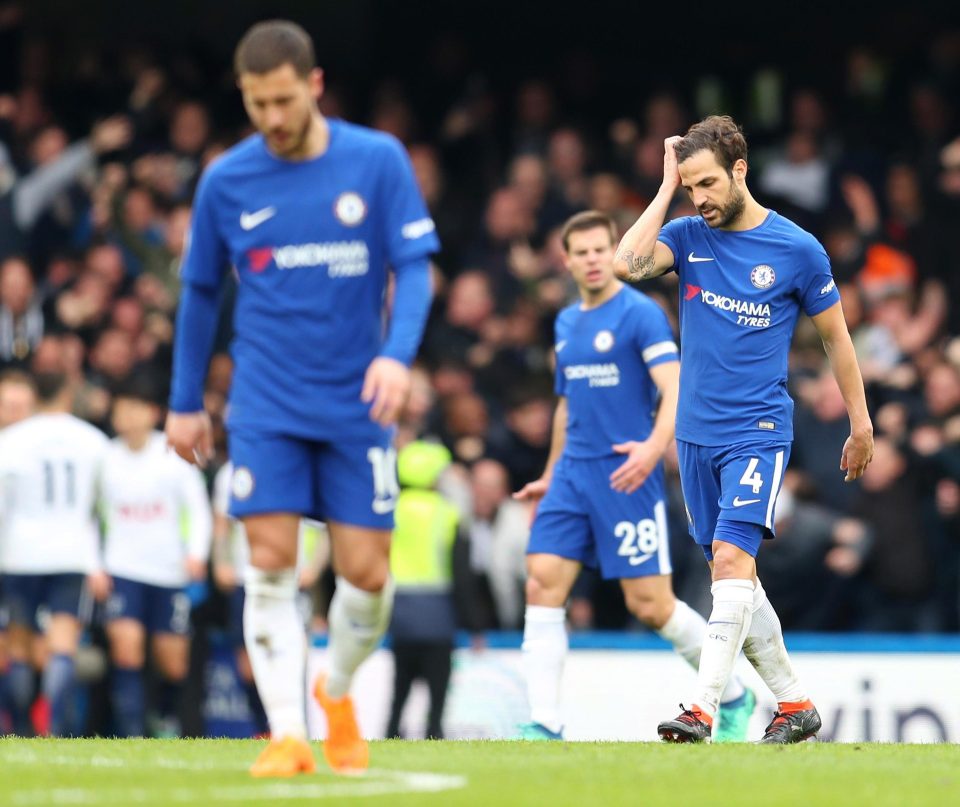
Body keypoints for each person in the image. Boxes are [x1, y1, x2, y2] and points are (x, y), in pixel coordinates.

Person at [164, 20, 438, 777]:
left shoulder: (376, 161)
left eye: (283, 100)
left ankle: (336, 687)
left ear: (313, 86)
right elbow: (197, 294)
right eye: (256, 104)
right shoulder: (227, 179)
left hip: (357, 405)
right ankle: (287, 732)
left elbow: (414, 269)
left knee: (367, 574)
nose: (272, 119)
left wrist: (395, 355)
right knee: (270, 560)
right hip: (266, 402)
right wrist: (186, 399)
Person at [612, 115, 874, 743]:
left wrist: (861, 425)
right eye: (688, 186)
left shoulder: (797, 249)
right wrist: (664, 188)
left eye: (706, 183)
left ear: (740, 170)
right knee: (734, 578)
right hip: (694, 436)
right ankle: (794, 705)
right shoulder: (687, 234)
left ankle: (701, 708)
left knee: (731, 560)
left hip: (757, 430)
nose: (699, 198)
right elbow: (626, 266)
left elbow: (836, 338)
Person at [513, 210, 754, 742]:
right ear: (568, 260)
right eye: (583, 252)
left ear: (612, 250)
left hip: (625, 475)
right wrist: (550, 474)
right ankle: (544, 723)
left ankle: (734, 693)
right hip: (573, 474)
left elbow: (674, 387)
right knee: (541, 583)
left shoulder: (640, 314)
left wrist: (652, 448)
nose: (594, 259)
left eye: (603, 248)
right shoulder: (566, 322)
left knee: (650, 605)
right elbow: (564, 405)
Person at [99, 376, 212, 737]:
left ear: (152, 413)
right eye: (122, 409)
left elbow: (198, 509)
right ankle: (131, 733)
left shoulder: (172, 452)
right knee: (126, 650)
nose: (128, 416)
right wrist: (94, 565)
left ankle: (164, 720)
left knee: (174, 662)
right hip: (122, 569)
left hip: (168, 571)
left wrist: (197, 553)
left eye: (135, 408)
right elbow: (88, 515)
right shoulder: (105, 458)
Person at [0, 371, 110, 736]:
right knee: (62, 647)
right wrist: (97, 561)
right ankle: (58, 729)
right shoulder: (94, 440)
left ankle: (18, 729)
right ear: (67, 393)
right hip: (71, 554)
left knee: (17, 648)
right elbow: (101, 508)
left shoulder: (11, 440)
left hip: (19, 556)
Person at [385, 440, 460, 740]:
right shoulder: (446, 511)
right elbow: (462, 568)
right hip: (437, 610)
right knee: (438, 687)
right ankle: (434, 732)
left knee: (399, 687)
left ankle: (391, 733)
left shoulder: (391, 509)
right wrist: (474, 618)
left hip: (400, 608)